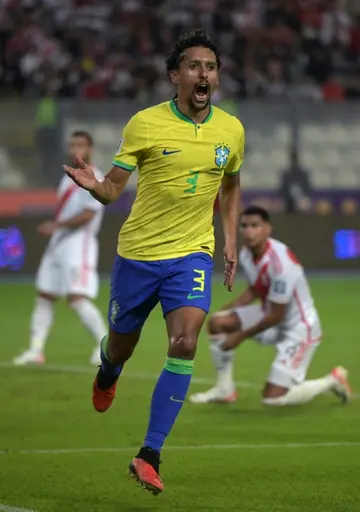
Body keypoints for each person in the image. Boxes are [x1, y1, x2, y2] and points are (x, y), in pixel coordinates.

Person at [63, 29, 245, 495]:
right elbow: (111, 191)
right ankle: (108, 368)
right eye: (193, 66)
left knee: (185, 342)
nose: (203, 73)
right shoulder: (145, 123)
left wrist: (227, 240)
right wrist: (92, 183)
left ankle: (149, 453)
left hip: (192, 254)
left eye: (210, 67)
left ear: (216, 77)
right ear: (175, 76)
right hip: (139, 257)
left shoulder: (231, 130)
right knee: (121, 347)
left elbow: (230, 184)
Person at [190, 206, 351, 407]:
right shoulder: (247, 253)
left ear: (267, 229)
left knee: (273, 399)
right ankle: (225, 390)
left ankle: (332, 381)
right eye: (245, 226)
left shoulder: (281, 264)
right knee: (218, 323)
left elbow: (276, 315)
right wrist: (226, 310)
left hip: (299, 328)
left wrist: (238, 337)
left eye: (255, 225)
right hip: (271, 316)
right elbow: (255, 290)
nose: (249, 231)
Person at [13, 131, 107, 367]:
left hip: (79, 243)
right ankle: (36, 350)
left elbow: (88, 214)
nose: (76, 148)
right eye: (72, 144)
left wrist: (56, 225)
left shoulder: (94, 176)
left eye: (81, 145)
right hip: (59, 243)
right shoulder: (68, 177)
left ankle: (103, 345)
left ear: (90, 149)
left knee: (76, 298)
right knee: (45, 295)